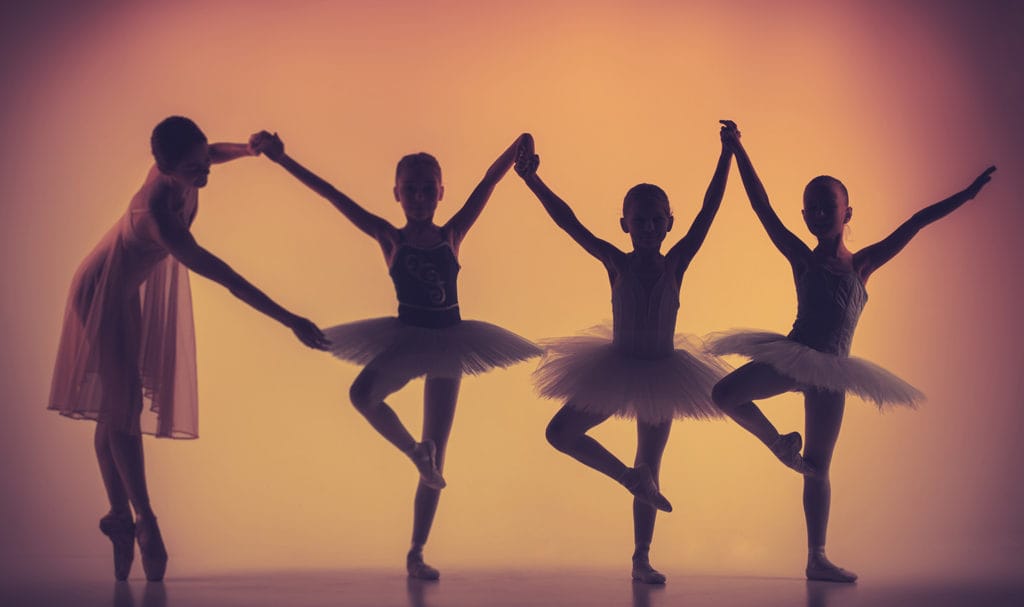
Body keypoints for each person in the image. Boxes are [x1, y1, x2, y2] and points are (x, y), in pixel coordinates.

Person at [708, 120, 996, 582]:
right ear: (804, 217)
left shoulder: (863, 265)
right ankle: (779, 444)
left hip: (834, 371)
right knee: (724, 394)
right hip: (795, 355)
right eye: (812, 208)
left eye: (829, 206)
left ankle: (816, 557)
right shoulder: (801, 257)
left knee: (819, 467)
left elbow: (916, 222)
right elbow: (762, 208)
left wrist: (964, 197)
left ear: (847, 213)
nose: (820, 213)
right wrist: (738, 151)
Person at [49, 116, 329, 581]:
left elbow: (213, 153)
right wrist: (290, 319)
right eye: (193, 168)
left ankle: (118, 518)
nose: (205, 172)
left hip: (125, 288)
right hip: (99, 291)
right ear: (165, 168)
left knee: (117, 405)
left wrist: (246, 149)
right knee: (125, 408)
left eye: (204, 160)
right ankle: (145, 521)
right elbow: (229, 280)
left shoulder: (182, 167)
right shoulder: (159, 219)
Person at [252, 130, 541, 580]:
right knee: (363, 394)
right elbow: (331, 195)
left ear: (442, 192)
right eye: (412, 189)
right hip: (407, 338)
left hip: (449, 341)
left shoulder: (452, 233)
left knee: (439, 455)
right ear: (397, 194)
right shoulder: (388, 237)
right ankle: (413, 451)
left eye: (430, 189)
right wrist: (282, 160)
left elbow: (487, 183)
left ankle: (416, 552)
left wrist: (518, 144)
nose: (421, 197)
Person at [514, 127, 732, 584]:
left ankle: (641, 558)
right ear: (625, 224)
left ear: (669, 223)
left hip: (664, 373)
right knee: (561, 433)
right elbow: (568, 222)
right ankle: (625, 477)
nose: (649, 228)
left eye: (657, 220)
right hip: (614, 369)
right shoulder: (616, 261)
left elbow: (710, 212)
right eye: (640, 220)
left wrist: (727, 155)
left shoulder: (677, 262)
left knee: (651, 466)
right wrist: (534, 182)